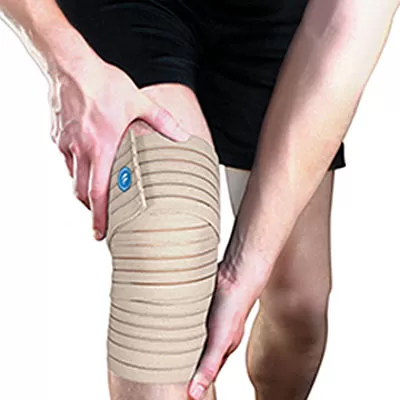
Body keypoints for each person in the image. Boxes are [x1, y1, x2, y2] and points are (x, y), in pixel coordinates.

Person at [0, 0, 398, 399]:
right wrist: (69, 63)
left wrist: (245, 266)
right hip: (125, 8)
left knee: (298, 310)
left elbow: (345, 23)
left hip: (276, 15)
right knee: (168, 248)